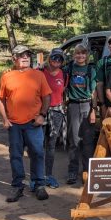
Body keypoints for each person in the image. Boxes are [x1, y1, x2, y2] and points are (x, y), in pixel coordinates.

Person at [0, 45, 52, 203]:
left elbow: (47, 97)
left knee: (37, 153)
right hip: (14, 124)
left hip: (33, 123)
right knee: (15, 156)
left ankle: (39, 185)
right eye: (22, 55)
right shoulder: (6, 76)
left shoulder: (38, 75)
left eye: (28, 55)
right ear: (14, 58)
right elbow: (1, 100)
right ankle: (17, 186)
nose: (26, 58)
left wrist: (42, 115)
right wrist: (4, 119)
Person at [64, 43, 97, 185]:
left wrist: (94, 110)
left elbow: (94, 91)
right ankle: (72, 171)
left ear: (87, 55)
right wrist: (42, 67)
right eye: (78, 53)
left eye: (83, 53)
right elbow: (54, 71)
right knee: (74, 140)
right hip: (73, 105)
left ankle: (88, 171)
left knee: (88, 141)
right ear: (74, 55)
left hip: (87, 105)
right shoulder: (70, 68)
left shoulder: (91, 69)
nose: (80, 56)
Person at [38, 47, 67, 189]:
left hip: (56, 113)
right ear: (49, 58)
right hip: (41, 112)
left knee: (51, 145)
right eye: (54, 58)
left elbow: (64, 93)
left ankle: (48, 175)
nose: (57, 61)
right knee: (38, 145)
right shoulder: (40, 72)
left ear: (62, 61)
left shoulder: (64, 74)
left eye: (59, 59)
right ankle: (38, 176)